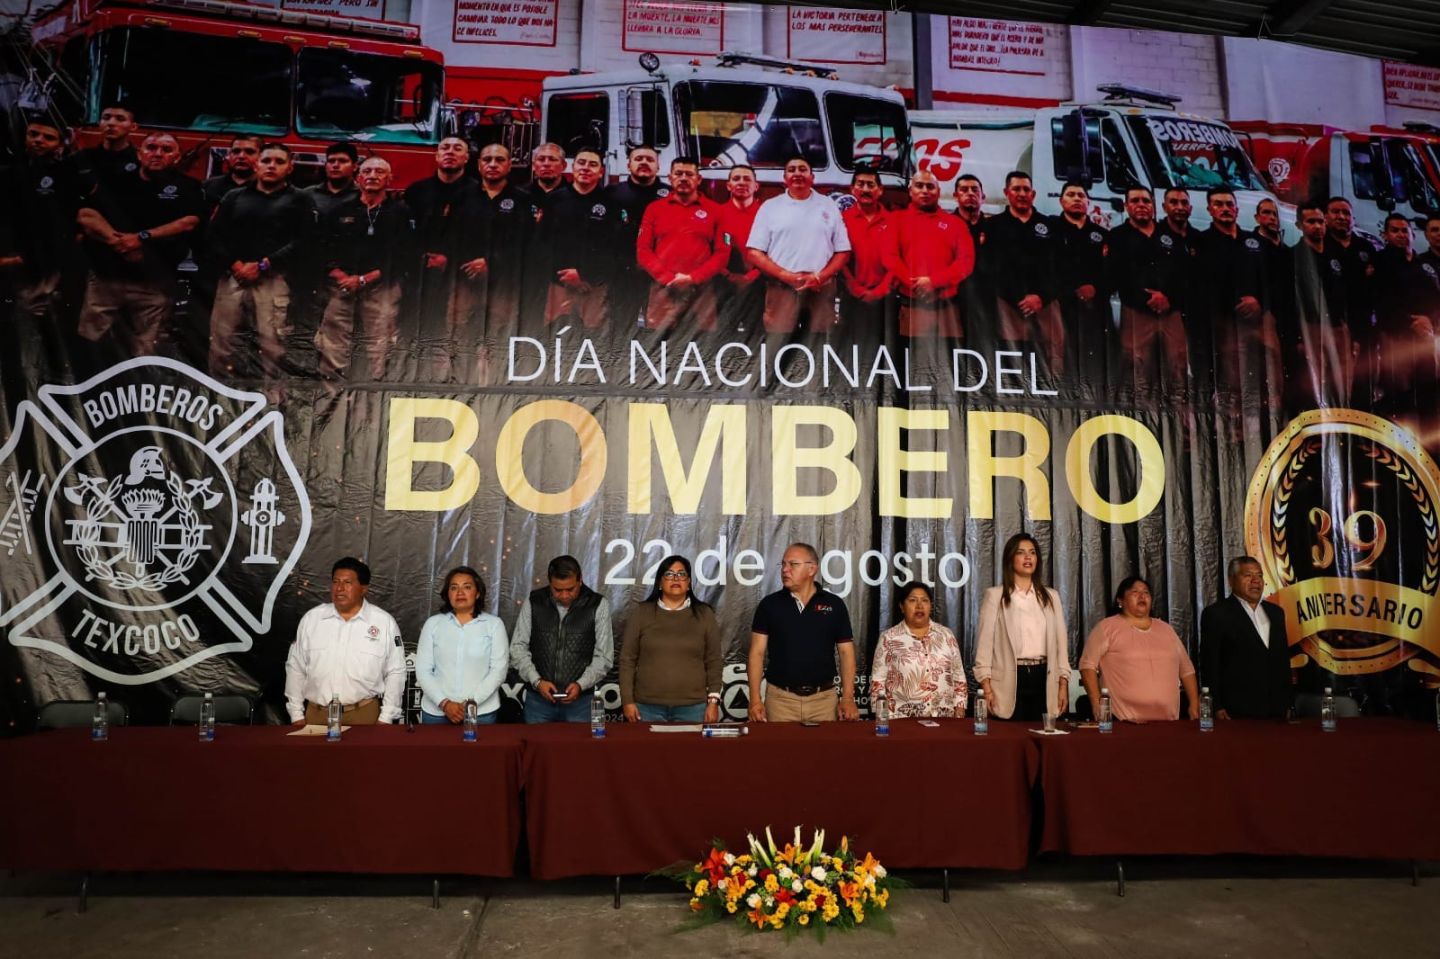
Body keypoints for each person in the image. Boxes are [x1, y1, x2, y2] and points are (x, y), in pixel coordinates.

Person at [75, 132, 203, 358]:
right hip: (107, 279)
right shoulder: (113, 180)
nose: (157, 154)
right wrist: (120, 243)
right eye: (151, 147)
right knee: (88, 342)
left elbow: (189, 222)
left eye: (166, 150)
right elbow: (86, 215)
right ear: (139, 153)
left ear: (177, 156)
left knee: (146, 351)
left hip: (154, 283)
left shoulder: (188, 187)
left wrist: (141, 238)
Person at [207, 142, 315, 387]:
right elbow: (214, 236)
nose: (271, 166)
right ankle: (220, 398)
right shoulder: (234, 197)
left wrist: (264, 265)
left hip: (274, 281)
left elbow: (305, 241)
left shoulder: (300, 200)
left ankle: (273, 403)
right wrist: (235, 265)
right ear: (257, 164)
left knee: (272, 345)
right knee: (222, 343)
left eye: (279, 162)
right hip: (233, 278)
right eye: (266, 161)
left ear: (290, 167)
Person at [315, 157, 413, 381]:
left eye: (379, 171)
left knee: (380, 347)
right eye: (367, 171)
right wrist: (339, 275)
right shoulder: (340, 210)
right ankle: (330, 400)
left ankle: (375, 397)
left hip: (382, 287)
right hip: (341, 287)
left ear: (389, 179)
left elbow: (404, 255)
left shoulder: (400, 212)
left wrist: (364, 279)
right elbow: (322, 247)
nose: (372, 175)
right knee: (331, 345)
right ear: (358, 178)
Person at [284, 557, 405, 725]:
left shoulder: (384, 623)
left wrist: (386, 717)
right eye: (335, 582)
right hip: (317, 715)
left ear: (364, 589)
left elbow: (396, 671)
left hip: (364, 714)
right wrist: (296, 714)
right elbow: (295, 667)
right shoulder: (312, 619)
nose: (339, 588)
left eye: (348, 582)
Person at [747, 543, 858, 722]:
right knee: (780, 751)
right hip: (780, 701)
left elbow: (846, 653)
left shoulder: (834, 605)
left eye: (793, 564)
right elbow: (756, 653)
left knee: (825, 751)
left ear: (812, 569)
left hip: (823, 701)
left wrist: (847, 698)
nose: (785, 570)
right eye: (783, 564)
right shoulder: (769, 605)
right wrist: (754, 700)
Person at [404, 136, 486, 380]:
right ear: (436, 155)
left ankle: (454, 383)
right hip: (419, 276)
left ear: (466, 158)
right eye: (444, 148)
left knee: (455, 334)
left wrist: (449, 258)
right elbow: (405, 233)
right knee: (415, 331)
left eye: (457, 148)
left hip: (459, 278)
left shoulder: (478, 192)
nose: (450, 152)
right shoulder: (416, 191)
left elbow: (479, 237)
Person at [745, 156, 851, 334]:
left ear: (812, 177)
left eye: (802, 169)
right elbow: (754, 252)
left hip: (820, 289)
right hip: (781, 289)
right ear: (784, 178)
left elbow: (843, 251)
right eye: (791, 170)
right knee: (779, 345)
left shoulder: (829, 206)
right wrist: (786, 276)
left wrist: (820, 277)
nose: (797, 173)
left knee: (820, 347)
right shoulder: (770, 207)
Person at [973, 532, 1069, 721]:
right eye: (1021, 552)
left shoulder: (1051, 597)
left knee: (1044, 738)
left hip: (1044, 678)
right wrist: (987, 688)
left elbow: (1061, 645)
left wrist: (1063, 685)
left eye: (1032, 553)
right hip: (1009, 680)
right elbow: (984, 646)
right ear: (1010, 559)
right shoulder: (995, 596)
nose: (1028, 557)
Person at [1078, 576, 1199, 722]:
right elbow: (1087, 666)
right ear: (1120, 600)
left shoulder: (1166, 630)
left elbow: (1187, 670)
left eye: (1146, 593)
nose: (1142, 596)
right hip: (1123, 721)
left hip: (1167, 722)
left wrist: (1194, 703)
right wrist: (1097, 703)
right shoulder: (1107, 627)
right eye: (1135, 592)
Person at [509, 555, 615, 722]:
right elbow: (517, 647)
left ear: (580, 580)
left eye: (570, 589)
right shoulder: (534, 601)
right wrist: (537, 682)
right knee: (537, 748)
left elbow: (604, 656)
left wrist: (581, 684)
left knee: (578, 749)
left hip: (581, 702)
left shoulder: (598, 604)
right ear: (550, 583)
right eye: (557, 590)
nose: (564, 595)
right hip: (538, 701)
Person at [618, 554, 723, 723]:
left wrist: (713, 702)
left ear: (689, 582)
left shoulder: (704, 614)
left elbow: (714, 661)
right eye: (669, 574)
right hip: (646, 707)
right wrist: (627, 701)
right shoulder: (641, 613)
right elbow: (627, 660)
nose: (676, 578)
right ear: (659, 582)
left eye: (681, 574)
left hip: (694, 708)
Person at [1107, 186, 1188, 401]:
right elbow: (1117, 276)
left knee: (1177, 367)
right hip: (1136, 311)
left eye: (1146, 201)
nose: (1141, 205)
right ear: (1126, 206)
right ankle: (1142, 420)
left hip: (1170, 310)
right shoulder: (1117, 236)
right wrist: (1147, 299)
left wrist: (1168, 298)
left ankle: (1178, 425)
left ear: (1153, 206)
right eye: (1135, 201)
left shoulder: (1170, 234)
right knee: (1137, 369)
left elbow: (1184, 273)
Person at [636, 157, 729, 330]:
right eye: (678, 174)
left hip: (701, 293)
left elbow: (722, 254)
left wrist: (693, 278)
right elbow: (643, 250)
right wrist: (668, 278)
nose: (684, 178)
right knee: (660, 349)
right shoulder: (654, 209)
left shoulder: (716, 211)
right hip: (663, 290)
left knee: (702, 350)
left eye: (689, 174)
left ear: (699, 179)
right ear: (670, 178)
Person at [982, 171, 1061, 374]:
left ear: (1033, 194)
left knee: (1054, 354)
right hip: (1008, 303)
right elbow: (990, 268)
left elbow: (1059, 267)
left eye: (1026, 189)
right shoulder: (993, 226)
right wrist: (1018, 297)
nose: (1022, 193)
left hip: (1045, 302)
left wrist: (1041, 297)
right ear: (1006, 192)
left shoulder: (1049, 226)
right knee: (1012, 355)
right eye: (1016, 189)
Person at [881, 169, 973, 338]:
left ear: (938, 192)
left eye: (930, 186)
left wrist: (933, 282)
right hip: (911, 304)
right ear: (910, 191)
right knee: (911, 360)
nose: (924, 191)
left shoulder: (956, 224)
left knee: (949, 361)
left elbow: (965, 262)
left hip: (947, 307)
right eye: (919, 186)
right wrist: (916, 284)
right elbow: (889, 257)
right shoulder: (896, 220)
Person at [1199, 556, 1292, 719]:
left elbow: (1282, 661)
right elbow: (1210, 664)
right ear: (1231, 580)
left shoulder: (1276, 613)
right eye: (1248, 575)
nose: (1256, 581)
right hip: (1236, 711)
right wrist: (1216, 705)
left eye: (1260, 575)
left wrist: (1287, 702)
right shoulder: (1216, 614)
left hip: (1276, 710)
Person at [414, 566, 509, 725]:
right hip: (436, 712)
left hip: (481, 712)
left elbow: (498, 670)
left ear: (478, 593)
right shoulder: (433, 624)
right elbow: (423, 670)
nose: (460, 592)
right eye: (454, 587)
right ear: (447, 594)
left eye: (467, 587)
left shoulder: (494, 625)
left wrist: (469, 704)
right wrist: (445, 704)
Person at [538, 147, 618, 328]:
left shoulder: (610, 203)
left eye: (593, 164)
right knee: (557, 336)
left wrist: (584, 274)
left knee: (593, 339)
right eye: (581, 163)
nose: (586, 168)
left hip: (594, 286)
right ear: (573, 167)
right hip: (559, 284)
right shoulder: (554, 200)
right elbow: (543, 242)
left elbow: (613, 247)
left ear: (601, 172)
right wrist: (564, 276)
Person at [869, 581, 967, 719]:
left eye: (925, 601)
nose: (920, 606)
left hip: (944, 719)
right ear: (902, 606)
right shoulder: (889, 638)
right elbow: (877, 682)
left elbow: (959, 676)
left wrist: (960, 710)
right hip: (901, 719)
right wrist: (881, 718)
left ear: (931, 606)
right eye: (913, 600)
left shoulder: (946, 635)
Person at [1372, 213, 1438, 411]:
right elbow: (1382, 301)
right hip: (1397, 337)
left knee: (1429, 391)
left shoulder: (1424, 264)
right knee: (1401, 394)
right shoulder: (1381, 262)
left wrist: (1429, 321)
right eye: (1395, 230)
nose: (1401, 234)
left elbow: (1435, 299)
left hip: (1425, 337)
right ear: (1385, 235)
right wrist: (1413, 323)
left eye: (1404, 230)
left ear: (1413, 235)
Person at [1053, 180, 1110, 390]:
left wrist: (1095, 288)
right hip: (1063, 304)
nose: (1076, 198)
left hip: (1095, 307)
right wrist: (1072, 290)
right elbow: (1049, 267)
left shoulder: (1101, 234)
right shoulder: (1052, 230)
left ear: (1088, 201)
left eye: (1081, 195)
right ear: (1061, 201)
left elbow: (1110, 271)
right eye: (1071, 194)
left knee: (1096, 357)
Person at [607, 144, 668, 327]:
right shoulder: (612, 193)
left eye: (650, 160)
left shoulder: (670, 195)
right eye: (638, 159)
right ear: (628, 165)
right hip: (622, 274)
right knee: (620, 327)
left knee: (658, 331)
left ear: (658, 167)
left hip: (658, 276)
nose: (643, 162)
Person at [840, 168, 892, 332]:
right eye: (860, 184)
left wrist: (881, 290)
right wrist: (855, 288)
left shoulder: (893, 221)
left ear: (880, 190)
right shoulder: (842, 220)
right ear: (852, 189)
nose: (865, 189)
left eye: (870, 185)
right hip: (851, 297)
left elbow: (898, 260)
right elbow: (839, 260)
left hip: (886, 299)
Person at [715, 164, 763, 332]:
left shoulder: (767, 215)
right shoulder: (717, 214)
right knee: (723, 337)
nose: (742, 183)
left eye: (747, 179)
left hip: (759, 287)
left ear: (756, 186)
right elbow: (710, 251)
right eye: (736, 179)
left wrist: (751, 277)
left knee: (756, 339)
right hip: (723, 286)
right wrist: (727, 275)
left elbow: (774, 251)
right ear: (728, 185)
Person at [74, 101, 139, 193]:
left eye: (120, 119)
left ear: (133, 126)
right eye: (106, 118)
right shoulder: (82, 157)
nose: (111, 123)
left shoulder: (140, 160)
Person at [202, 136, 261, 211]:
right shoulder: (208, 186)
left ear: (261, 156)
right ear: (229, 155)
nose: (241, 156)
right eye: (236, 151)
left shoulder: (267, 188)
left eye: (249, 152)